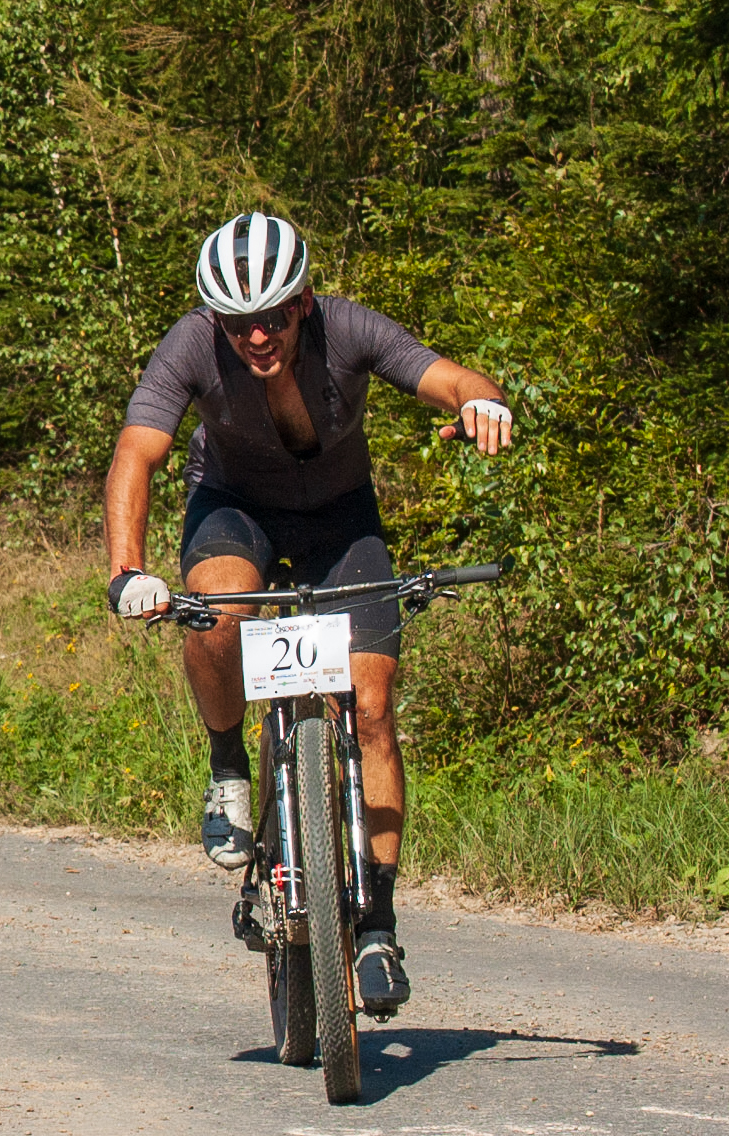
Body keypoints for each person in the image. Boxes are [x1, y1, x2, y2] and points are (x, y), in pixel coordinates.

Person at [101, 212, 511, 1013]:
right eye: (237, 322)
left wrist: (484, 405)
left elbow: (454, 379)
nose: (257, 337)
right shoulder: (190, 345)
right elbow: (136, 453)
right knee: (217, 611)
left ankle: (378, 927)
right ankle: (228, 767)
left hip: (339, 517)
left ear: (304, 302)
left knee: (372, 708)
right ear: (215, 320)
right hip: (234, 508)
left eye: (273, 317)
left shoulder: (349, 328)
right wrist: (127, 570)